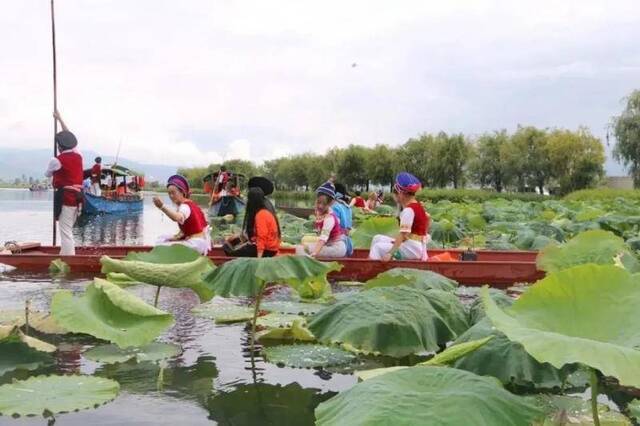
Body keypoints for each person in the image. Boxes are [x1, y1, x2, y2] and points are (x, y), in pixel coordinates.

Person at [45, 110, 84, 255]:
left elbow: (47, 174)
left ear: (59, 147)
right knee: (67, 229)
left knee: (66, 232)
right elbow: (68, 135)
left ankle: (69, 261)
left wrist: (54, 171)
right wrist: (60, 118)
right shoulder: (78, 155)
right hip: (78, 198)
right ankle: (64, 254)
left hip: (66, 198)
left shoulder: (56, 160)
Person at [368, 172, 429, 261]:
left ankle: (372, 271)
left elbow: (403, 235)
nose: (394, 197)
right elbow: (428, 217)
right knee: (377, 238)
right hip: (416, 245)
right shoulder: (418, 206)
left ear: (400, 194)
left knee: (377, 247)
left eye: (395, 194)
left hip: (412, 248)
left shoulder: (409, 210)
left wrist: (390, 253)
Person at [153, 175, 211, 255]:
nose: (171, 196)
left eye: (173, 193)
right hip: (200, 242)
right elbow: (189, 228)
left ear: (182, 192)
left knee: (161, 245)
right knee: (163, 238)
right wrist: (176, 237)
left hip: (196, 244)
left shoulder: (184, 207)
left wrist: (162, 206)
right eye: (169, 193)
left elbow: (177, 217)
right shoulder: (190, 203)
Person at [223, 187, 281, 258]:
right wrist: (234, 239)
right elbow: (252, 236)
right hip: (271, 248)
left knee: (227, 249)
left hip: (267, 250)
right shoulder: (264, 211)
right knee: (232, 243)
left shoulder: (261, 215)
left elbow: (262, 237)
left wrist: (258, 259)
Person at [299, 182, 347, 258]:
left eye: (324, 204)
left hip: (336, 248)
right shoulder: (320, 213)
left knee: (303, 249)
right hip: (328, 244)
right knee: (302, 245)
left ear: (330, 203)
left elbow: (323, 239)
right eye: (318, 202)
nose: (320, 206)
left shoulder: (329, 218)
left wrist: (315, 253)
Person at [332, 183, 354, 256]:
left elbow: (333, 228)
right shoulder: (348, 207)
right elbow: (348, 229)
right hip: (348, 244)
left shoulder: (334, 207)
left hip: (337, 243)